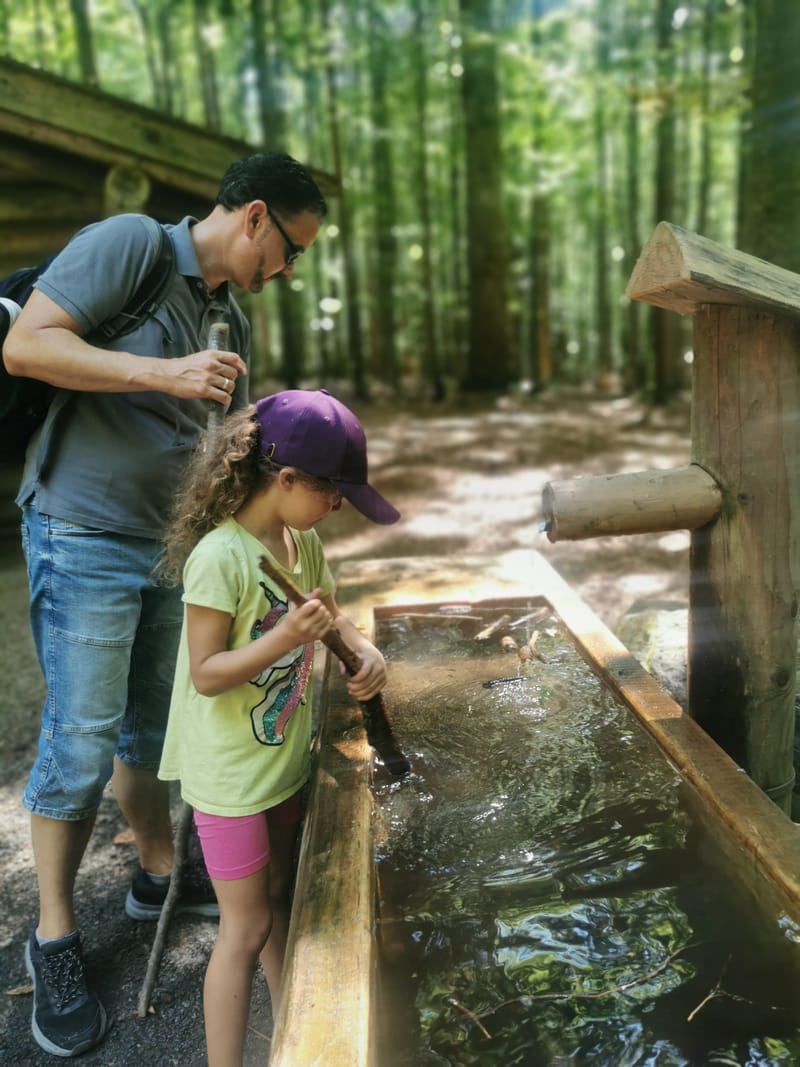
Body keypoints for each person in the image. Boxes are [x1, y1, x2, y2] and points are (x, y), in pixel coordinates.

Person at [3, 152, 328, 1058]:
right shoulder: (131, 246)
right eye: (291, 249)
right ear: (255, 216)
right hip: (81, 532)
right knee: (79, 740)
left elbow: (232, 449)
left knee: (155, 729)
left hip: (169, 551)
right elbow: (26, 345)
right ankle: (56, 939)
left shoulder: (229, 316)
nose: (289, 272)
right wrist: (166, 375)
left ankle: (156, 871)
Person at [157, 388, 399, 1066]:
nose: (339, 504)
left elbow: (336, 617)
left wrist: (363, 647)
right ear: (286, 479)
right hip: (232, 778)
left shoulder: (303, 541)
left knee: (279, 905)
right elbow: (206, 671)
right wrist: (285, 635)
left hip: (283, 763)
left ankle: (297, 1036)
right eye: (333, 491)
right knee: (246, 924)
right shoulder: (222, 557)